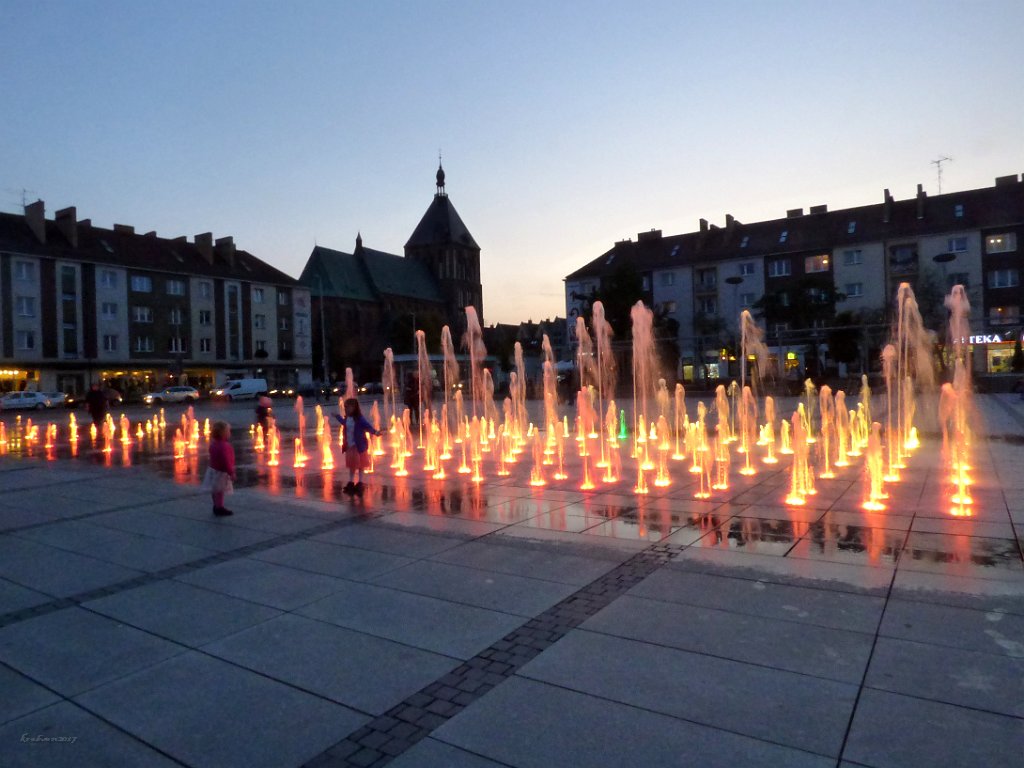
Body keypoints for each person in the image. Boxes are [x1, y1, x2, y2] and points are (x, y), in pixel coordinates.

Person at [333, 398, 381, 498]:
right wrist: (337, 416)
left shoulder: (359, 419)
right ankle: (351, 482)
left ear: (354, 407)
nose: (346, 409)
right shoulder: (347, 418)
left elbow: (367, 426)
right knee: (351, 466)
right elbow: (344, 422)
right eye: (345, 407)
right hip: (350, 446)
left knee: (360, 465)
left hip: (359, 446)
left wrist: (375, 432)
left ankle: (360, 482)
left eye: (348, 407)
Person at [202, 420, 236, 516]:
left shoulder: (213, 444)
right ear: (224, 433)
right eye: (228, 431)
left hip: (213, 470)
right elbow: (226, 461)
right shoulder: (225, 446)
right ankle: (219, 508)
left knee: (215, 489)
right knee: (220, 491)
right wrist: (231, 472)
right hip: (222, 472)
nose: (230, 433)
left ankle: (216, 505)